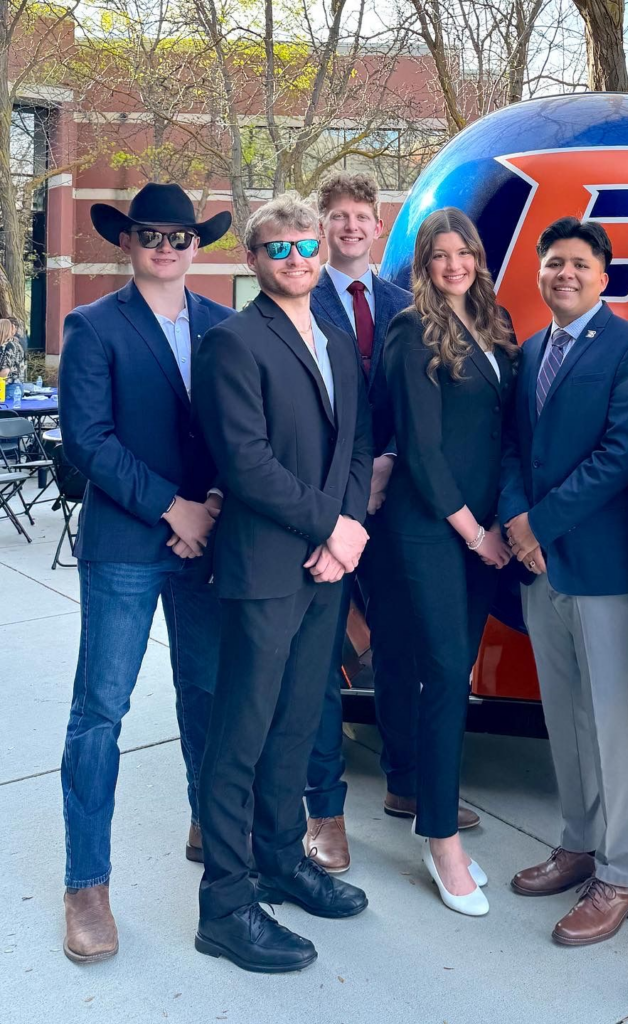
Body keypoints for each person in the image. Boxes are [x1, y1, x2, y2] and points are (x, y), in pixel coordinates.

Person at [192, 194, 373, 973]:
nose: (297, 259)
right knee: (242, 735)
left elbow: (358, 447)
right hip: (266, 568)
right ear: (253, 260)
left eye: (306, 246)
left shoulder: (336, 339)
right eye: (279, 249)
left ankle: (278, 859)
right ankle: (227, 904)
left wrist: (351, 530)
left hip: (326, 569)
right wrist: (327, 527)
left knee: (297, 727)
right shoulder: (234, 343)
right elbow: (246, 461)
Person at [57, 183, 233, 964]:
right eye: (151, 234)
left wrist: (219, 502)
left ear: (199, 245)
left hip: (209, 547)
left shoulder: (227, 327)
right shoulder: (92, 327)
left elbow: (241, 430)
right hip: (128, 546)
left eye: (180, 235)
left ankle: (208, 819)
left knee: (207, 694)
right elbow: (88, 442)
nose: (167, 246)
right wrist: (174, 509)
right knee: (101, 712)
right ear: (126, 242)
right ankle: (86, 886)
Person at [303, 172, 469, 878]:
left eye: (361, 216)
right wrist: (344, 489)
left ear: (380, 227)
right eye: (336, 216)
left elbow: (420, 408)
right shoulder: (298, 296)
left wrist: (389, 464)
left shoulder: (412, 305)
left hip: (396, 505)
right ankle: (326, 812)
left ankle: (407, 780)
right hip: (322, 508)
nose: (349, 227)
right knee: (319, 657)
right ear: (321, 227)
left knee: (399, 649)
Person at [501, 217, 628, 946]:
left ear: (605, 276)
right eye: (553, 262)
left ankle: (622, 873)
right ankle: (577, 842)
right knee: (562, 715)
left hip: (599, 568)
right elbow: (512, 450)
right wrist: (513, 521)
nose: (564, 273)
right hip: (538, 567)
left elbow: (620, 454)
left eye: (579, 264)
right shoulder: (531, 349)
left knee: (613, 724)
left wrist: (539, 523)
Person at [379, 206, 517, 917]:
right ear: (424, 263)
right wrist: (474, 533)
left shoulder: (496, 325)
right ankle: (440, 840)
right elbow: (423, 451)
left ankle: (432, 813)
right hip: (434, 530)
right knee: (442, 676)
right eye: (440, 254)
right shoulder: (410, 329)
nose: (454, 265)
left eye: (464, 253)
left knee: (452, 676)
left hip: (482, 534)